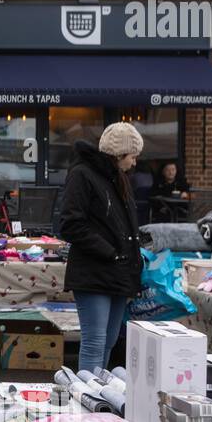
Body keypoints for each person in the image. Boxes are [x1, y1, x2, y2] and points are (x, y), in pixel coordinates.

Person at [58, 123, 144, 373]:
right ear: (119, 154)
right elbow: (71, 224)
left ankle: (98, 396)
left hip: (117, 271)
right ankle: (88, 399)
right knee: (95, 341)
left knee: (108, 340)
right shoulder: (83, 175)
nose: (135, 162)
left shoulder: (116, 179)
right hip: (94, 271)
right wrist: (110, 251)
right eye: (133, 156)